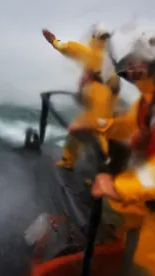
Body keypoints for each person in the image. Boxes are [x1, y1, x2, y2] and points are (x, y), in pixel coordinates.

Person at [69, 24, 155, 276]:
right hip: (150, 194)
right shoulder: (149, 99)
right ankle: (109, 258)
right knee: (112, 211)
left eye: (135, 65)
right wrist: (99, 124)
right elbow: (128, 126)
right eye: (125, 68)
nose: (130, 73)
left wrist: (120, 187)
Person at [42, 23, 121, 169]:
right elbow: (116, 86)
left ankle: (107, 168)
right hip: (102, 101)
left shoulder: (91, 53)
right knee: (76, 130)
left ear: (95, 37)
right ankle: (68, 160)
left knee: (100, 134)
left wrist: (53, 40)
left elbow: (67, 47)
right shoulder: (109, 59)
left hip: (99, 101)